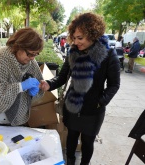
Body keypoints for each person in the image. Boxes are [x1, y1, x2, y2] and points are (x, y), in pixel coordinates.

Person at [40, 12, 120, 165]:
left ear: (93, 34)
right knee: (71, 137)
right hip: (73, 107)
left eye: (80, 38)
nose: (76, 42)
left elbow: (114, 85)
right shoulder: (73, 52)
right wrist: (48, 84)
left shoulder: (108, 54)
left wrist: (100, 101)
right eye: (74, 38)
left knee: (88, 142)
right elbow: (62, 77)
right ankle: (70, 161)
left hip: (93, 111)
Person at [0, 27, 44, 126]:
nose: (32, 58)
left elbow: (39, 84)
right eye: (30, 54)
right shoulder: (1, 60)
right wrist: (21, 86)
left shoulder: (31, 62)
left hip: (20, 115)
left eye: (36, 54)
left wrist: (36, 90)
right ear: (18, 46)